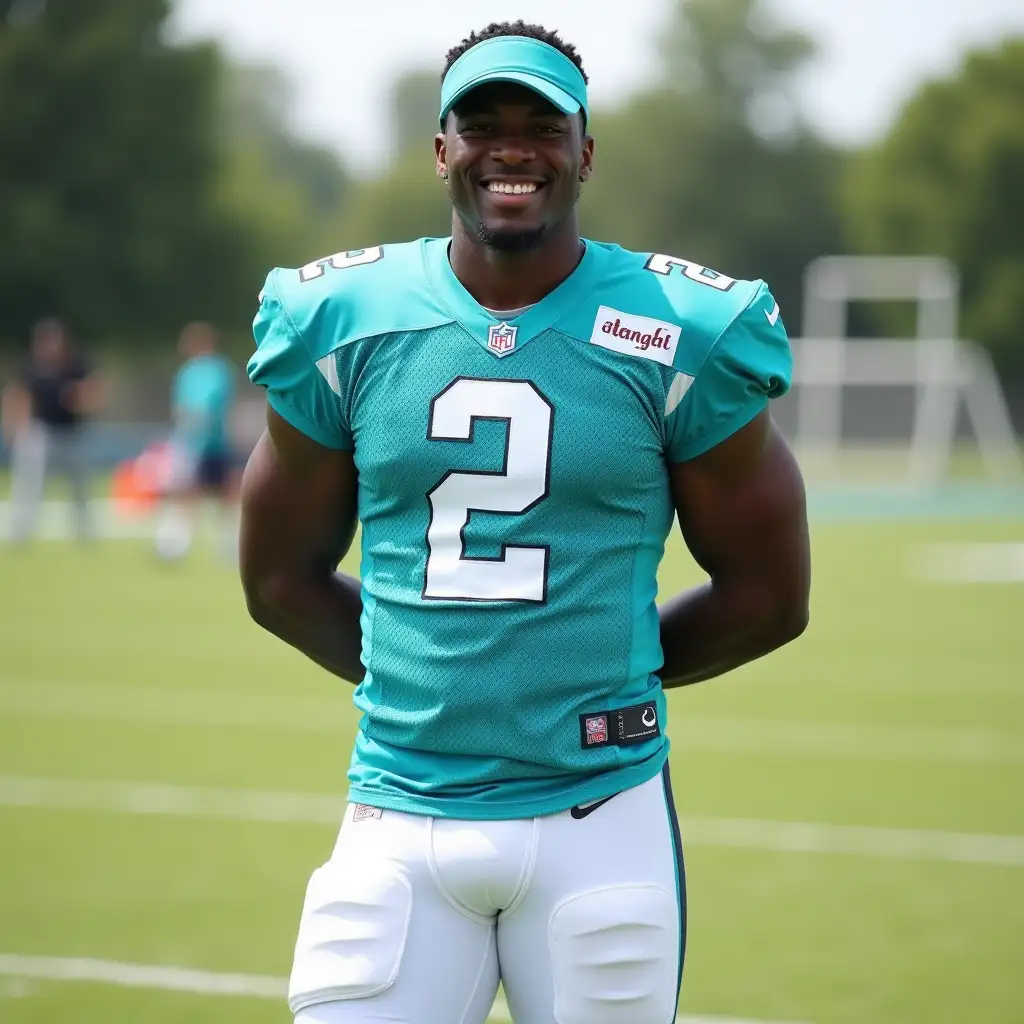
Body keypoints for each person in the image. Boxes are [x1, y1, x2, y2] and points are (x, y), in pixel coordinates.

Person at [240, 21, 811, 1024]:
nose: (512, 147)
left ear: (584, 151)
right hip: (398, 809)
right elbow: (277, 576)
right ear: (441, 150)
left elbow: (770, 594)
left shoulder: (676, 327)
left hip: (600, 809)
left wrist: (604, 675)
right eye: (482, 123)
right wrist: (427, 685)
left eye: (542, 126)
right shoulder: (344, 315)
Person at [2, 317, 102, 543]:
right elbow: (17, 396)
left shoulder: (76, 366)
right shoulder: (32, 368)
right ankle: (20, 533)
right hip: (42, 432)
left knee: (80, 488)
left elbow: (94, 391)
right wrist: (15, 428)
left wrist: (81, 397)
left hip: (72, 433)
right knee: (29, 485)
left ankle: (85, 534)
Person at [154, 321, 238, 560]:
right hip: (189, 443)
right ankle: (175, 544)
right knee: (186, 492)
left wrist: (198, 423)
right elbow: (180, 405)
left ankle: (230, 545)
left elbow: (211, 404)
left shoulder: (217, 370)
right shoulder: (186, 372)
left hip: (212, 443)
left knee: (224, 494)